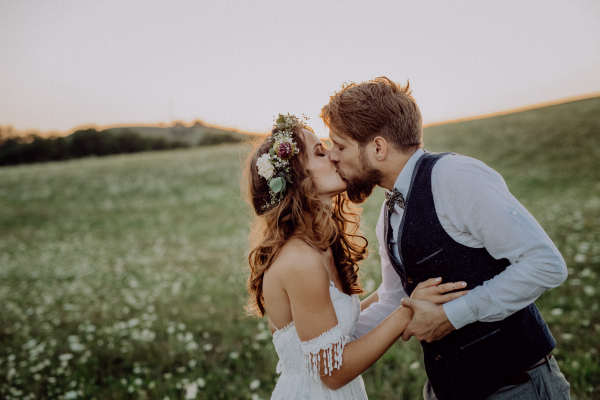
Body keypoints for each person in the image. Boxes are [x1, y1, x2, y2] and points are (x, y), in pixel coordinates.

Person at [320, 77, 571, 399]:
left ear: (378, 148)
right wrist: (327, 345)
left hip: (516, 387)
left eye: (340, 146)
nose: (334, 157)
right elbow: (394, 299)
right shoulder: (390, 211)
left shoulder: (454, 176)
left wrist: (452, 316)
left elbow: (545, 264)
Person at [243, 114, 468, 399]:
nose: (334, 157)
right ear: (298, 179)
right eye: (320, 152)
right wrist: (410, 310)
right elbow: (333, 374)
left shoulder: (317, 245)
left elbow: (336, 324)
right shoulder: (299, 260)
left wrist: (401, 294)